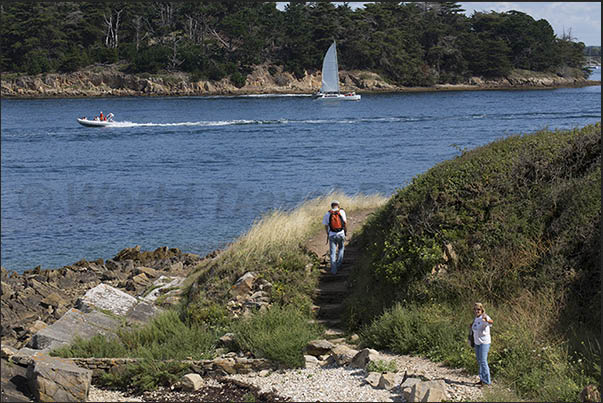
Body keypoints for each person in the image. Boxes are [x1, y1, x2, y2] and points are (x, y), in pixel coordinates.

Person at [471, 302, 493, 386]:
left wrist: (486, 320)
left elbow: (491, 322)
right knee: (479, 361)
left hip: (484, 342)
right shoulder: (476, 318)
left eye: (478, 309)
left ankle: (487, 381)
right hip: (477, 342)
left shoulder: (484, 316)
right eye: (475, 309)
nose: (477, 311)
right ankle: (482, 379)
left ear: (482, 309)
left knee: (483, 361)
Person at [322, 200, 347, 274]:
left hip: (332, 235)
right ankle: (338, 265)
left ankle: (333, 270)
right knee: (341, 249)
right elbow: (345, 223)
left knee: (332, 253)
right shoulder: (342, 212)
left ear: (331, 206)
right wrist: (345, 232)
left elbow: (326, 225)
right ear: (338, 205)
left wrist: (327, 233)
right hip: (341, 234)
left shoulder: (327, 214)